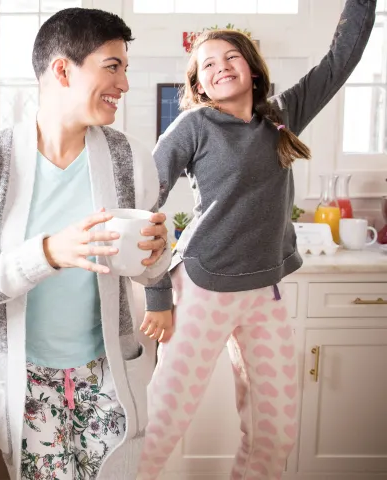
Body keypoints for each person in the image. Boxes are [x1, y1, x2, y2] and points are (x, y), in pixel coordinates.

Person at [138, 1, 376, 479]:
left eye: (230, 57)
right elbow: (144, 207)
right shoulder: (193, 126)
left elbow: (339, 60)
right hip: (203, 289)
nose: (221, 67)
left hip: (264, 295)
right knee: (162, 424)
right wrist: (158, 294)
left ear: (251, 66)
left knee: (276, 431)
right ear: (199, 85)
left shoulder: (281, 116)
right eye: (208, 64)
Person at [0, 8, 173, 480]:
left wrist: (156, 256)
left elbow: (149, 269)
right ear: (62, 69)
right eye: (113, 66)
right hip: (25, 381)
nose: (124, 84)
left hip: (108, 374)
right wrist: (49, 253)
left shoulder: (130, 159)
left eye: (125, 68)